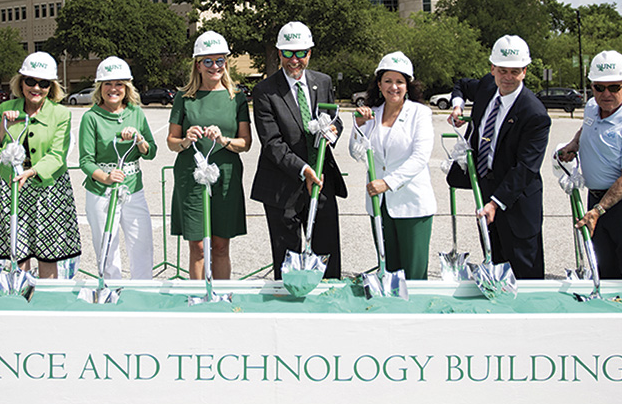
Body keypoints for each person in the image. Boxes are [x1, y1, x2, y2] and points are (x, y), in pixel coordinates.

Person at [448, 34, 550, 279]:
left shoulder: (534, 114)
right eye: (502, 70)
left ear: (525, 71)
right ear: (492, 68)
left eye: (514, 71)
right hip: (486, 194)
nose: (507, 77)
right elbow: (461, 84)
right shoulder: (487, 87)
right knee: (494, 267)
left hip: (516, 203)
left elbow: (526, 168)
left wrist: (495, 202)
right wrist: (458, 105)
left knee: (524, 275)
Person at [251, 21, 346, 280]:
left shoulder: (323, 82)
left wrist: (334, 129)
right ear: (279, 53)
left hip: (321, 182)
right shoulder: (264, 92)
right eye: (288, 53)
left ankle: (327, 309)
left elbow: (333, 117)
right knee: (288, 263)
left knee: (327, 259)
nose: (295, 60)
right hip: (283, 187)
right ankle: (289, 314)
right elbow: (272, 143)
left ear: (310, 53)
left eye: (301, 53)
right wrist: (303, 170)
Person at [557, 51, 622, 278]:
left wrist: (598, 211)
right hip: (598, 198)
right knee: (603, 265)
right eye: (599, 87)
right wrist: (574, 144)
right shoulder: (592, 106)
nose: (606, 94)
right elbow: (587, 128)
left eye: (614, 87)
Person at [0, 52, 80, 278]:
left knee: (48, 253)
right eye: (30, 81)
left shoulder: (60, 114)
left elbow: (58, 155)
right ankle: (20, 298)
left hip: (47, 189)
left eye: (43, 83)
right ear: (21, 82)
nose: (36, 88)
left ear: (51, 87)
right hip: (12, 187)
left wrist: (33, 171)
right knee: (18, 251)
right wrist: (3, 126)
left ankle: (47, 303)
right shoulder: (5, 108)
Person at [167, 31, 252, 280]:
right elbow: (171, 142)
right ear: (198, 64)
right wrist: (185, 140)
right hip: (190, 176)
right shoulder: (184, 98)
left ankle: (222, 299)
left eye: (220, 60)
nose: (214, 66)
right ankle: (197, 301)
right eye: (208, 61)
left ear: (226, 62)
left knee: (220, 246)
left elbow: (246, 143)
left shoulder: (235, 97)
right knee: (198, 246)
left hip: (225, 175)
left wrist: (223, 140)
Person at [350, 51, 436, 280]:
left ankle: (416, 314)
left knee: (414, 275)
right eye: (388, 81)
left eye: (400, 81)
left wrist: (387, 183)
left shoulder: (420, 114)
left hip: (412, 204)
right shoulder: (372, 114)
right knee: (388, 272)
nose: (393, 87)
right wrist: (358, 127)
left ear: (408, 85)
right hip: (380, 204)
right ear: (379, 84)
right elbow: (357, 153)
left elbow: (420, 157)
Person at [79, 57, 157, 280]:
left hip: (134, 189)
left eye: (119, 84)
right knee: (106, 245)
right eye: (108, 84)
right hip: (101, 191)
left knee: (141, 242)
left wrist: (139, 139)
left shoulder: (136, 113)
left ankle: (142, 289)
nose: (113, 89)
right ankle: (111, 290)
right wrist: (105, 177)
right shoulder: (91, 117)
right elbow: (85, 160)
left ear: (127, 87)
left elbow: (151, 151)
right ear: (100, 88)